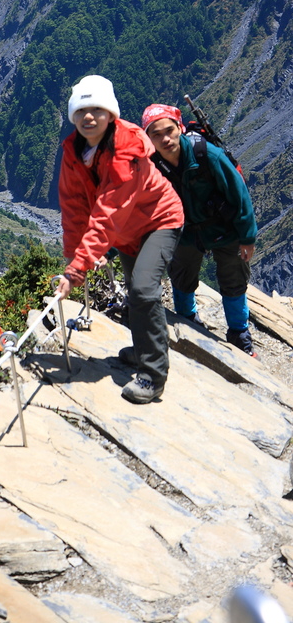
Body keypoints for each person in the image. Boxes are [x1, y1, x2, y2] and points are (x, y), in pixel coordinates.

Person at [56, 75, 185, 404]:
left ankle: (153, 375)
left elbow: (107, 213)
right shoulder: (75, 151)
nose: (89, 117)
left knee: (143, 289)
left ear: (110, 114)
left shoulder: (125, 150)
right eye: (82, 110)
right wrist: (75, 259)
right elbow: (73, 207)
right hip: (127, 232)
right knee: (134, 294)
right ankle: (145, 350)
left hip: (159, 220)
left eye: (97, 109)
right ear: (73, 115)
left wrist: (76, 272)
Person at [141, 103, 258, 356]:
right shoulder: (150, 166)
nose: (165, 138)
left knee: (234, 280)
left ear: (180, 128)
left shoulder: (208, 155)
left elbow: (239, 196)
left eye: (169, 130)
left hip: (225, 228)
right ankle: (187, 322)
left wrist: (247, 238)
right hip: (185, 233)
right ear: (147, 138)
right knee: (182, 276)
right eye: (156, 134)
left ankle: (239, 335)